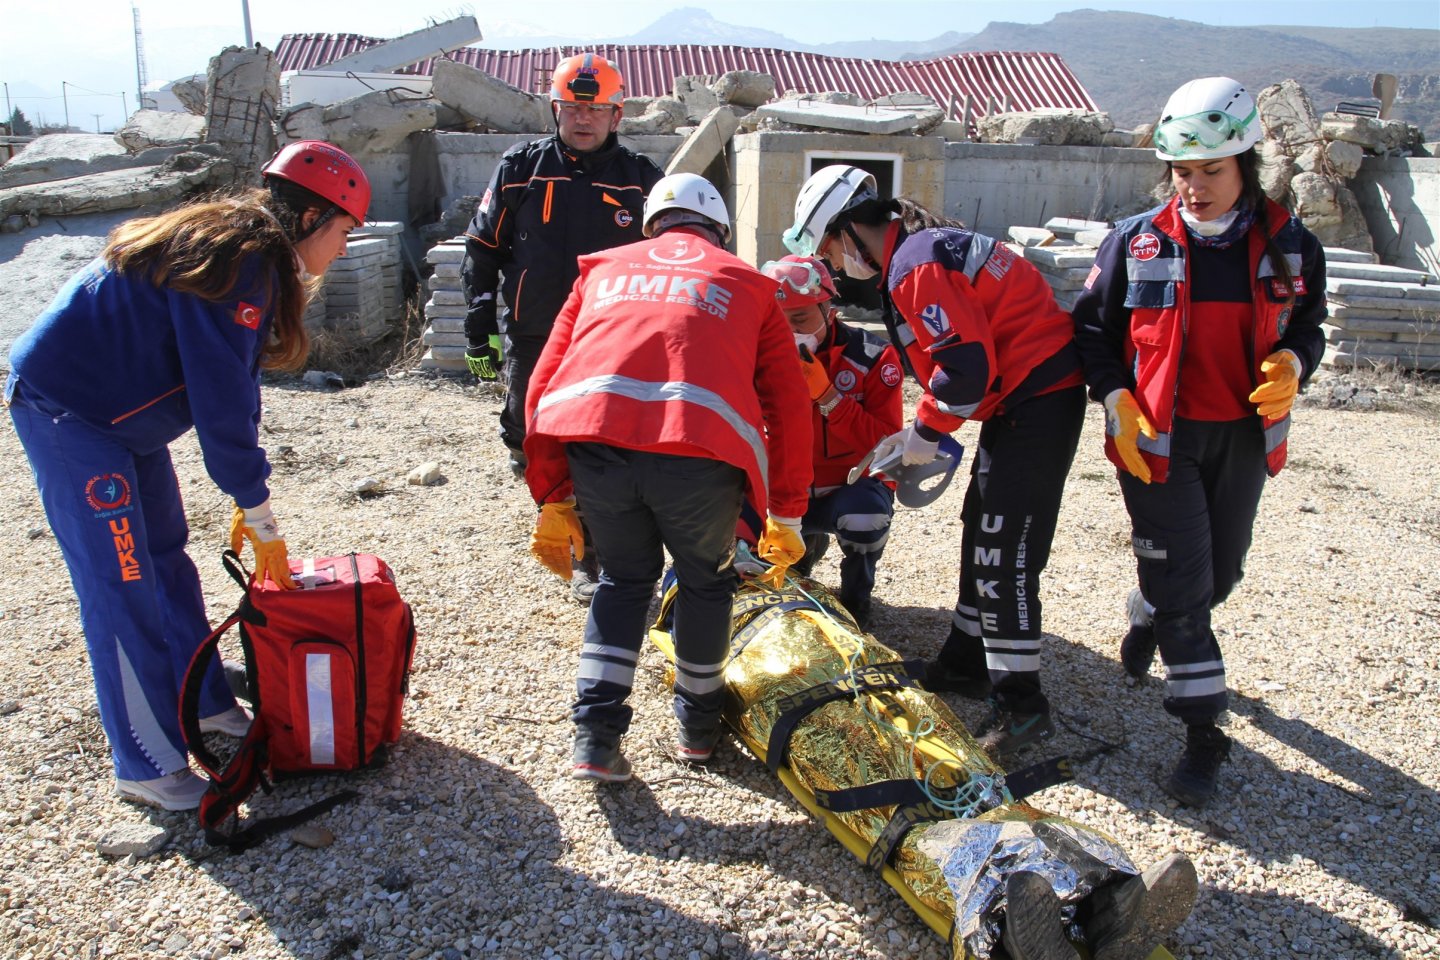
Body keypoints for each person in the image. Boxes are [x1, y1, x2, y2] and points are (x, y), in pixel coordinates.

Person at [5, 140, 370, 811]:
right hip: (73, 415)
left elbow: (237, 380)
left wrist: (248, 492)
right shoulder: (240, 264)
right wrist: (257, 509)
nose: (345, 248)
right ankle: (144, 762)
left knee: (169, 563)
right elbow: (219, 406)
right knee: (122, 589)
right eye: (346, 231)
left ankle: (202, 705)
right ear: (312, 218)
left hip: (123, 423)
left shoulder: (251, 259)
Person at [1072, 77, 1326, 808]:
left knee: (1217, 580)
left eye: (1210, 170)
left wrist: (1295, 363)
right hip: (1158, 442)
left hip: (1242, 440)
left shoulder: (1291, 246)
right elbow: (1090, 331)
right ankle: (1203, 734)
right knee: (1189, 595)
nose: (1194, 187)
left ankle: (1148, 611)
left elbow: (1310, 322)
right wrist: (1114, 394)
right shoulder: (1137, 240)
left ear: (1246, 163)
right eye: (1182, 172)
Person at [783, 165, 1087, 759]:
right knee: (982, 525)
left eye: (826, 247)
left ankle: (1023, 708)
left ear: (847, 231)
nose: (833, 262)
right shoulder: (918, 250)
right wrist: (923, 428)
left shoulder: (916, 264)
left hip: (1038, 400)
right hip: (1025, 399)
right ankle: (965, 660)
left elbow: (965, 370)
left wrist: (922, 434)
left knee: (1005, 552)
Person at [522, 173, 813, 782]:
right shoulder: (749, 284)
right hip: (698, 459)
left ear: (653, 223)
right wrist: (785, 511)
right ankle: (698, 729)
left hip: (596, 447)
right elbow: (788, 407)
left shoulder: (600, 271)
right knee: (707, 584)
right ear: (720, 231)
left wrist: (552, 491)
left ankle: (595, 737)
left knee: (624, 581)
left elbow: (543, 381)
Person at [461, 53, 665, 604]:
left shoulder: (643, 181)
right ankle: (570, 534)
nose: (583, 118)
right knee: (535, 439)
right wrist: (479, 326)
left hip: (613, 342)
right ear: (555, 108)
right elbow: (482, 248)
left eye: (596, 109)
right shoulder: (519, 169)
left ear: (617, 116)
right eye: (573, 107)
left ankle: (600, 553)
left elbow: (676, 257)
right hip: (535, 335)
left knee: (606, 445)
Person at [758, 255, 904, 631]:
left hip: (848, 485)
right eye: (777, 319)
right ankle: (801, 556)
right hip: (786, 488)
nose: (788, 330)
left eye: (800, 318)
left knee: (866, 519)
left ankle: (857, 596)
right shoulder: (757, 357)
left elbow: (887, 444)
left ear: (830, 309)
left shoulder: (873, 357)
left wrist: (828, 398)